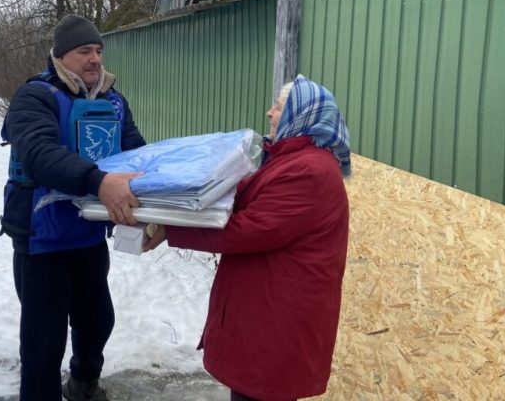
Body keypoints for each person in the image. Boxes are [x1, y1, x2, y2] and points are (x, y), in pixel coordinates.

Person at [144, 74, 351, 401]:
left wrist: (172, 227)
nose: (269, 113)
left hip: (276, 324)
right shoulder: (286, 159)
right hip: (266, 311)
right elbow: (238, 195)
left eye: (279, 107)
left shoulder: (308, 172)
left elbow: (245, 230)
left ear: (302, 115)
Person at [0, 13, 146, 401]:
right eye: (84, 51)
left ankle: (83, 383)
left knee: (97, 321)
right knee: (43, 345)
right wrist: (99, 182)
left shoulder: (113, 101)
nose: (95, 58)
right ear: (61, 56)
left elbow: (135, 154)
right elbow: (39, 154)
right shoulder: (34, 96)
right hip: (42, 239)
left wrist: (153, 207)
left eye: (98, 50)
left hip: (88, 235)